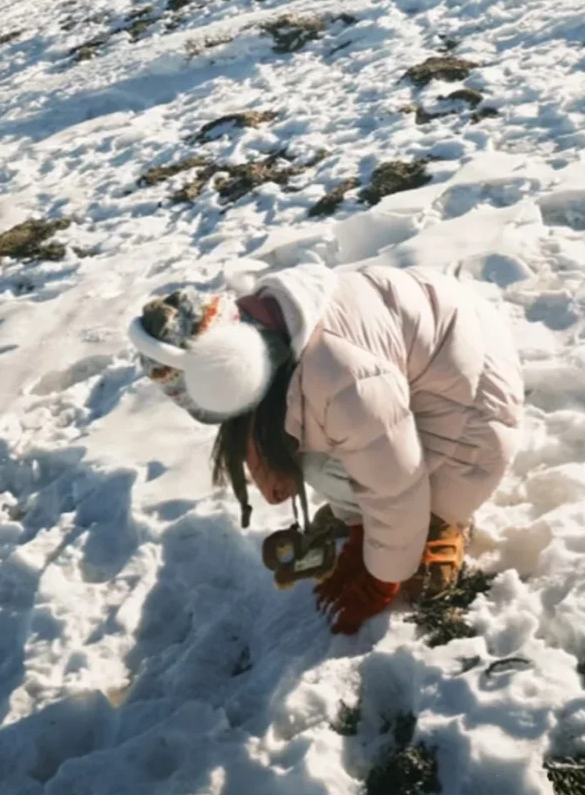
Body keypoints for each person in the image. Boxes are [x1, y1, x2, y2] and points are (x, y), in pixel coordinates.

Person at [130, 263, 523, 636]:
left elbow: (394, 482)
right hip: (445, 362)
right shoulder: (273, 320)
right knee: (318, 446)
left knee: (345, 461)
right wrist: (359, 530)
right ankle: (380, 523)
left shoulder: (337, 374)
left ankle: (442, 525)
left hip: (476, 417)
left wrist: (382, 577)